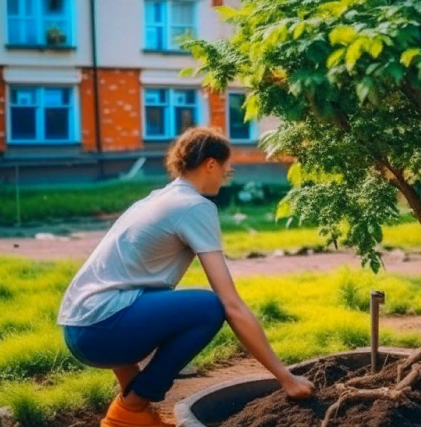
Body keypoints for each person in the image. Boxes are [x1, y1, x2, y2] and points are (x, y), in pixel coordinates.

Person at [57, 128, 313, 427]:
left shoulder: (158, 198)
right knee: (208, 307)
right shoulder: (194, 206)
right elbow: (230, 303)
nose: (229, 171)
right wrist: (286, 378)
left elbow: (121, 283)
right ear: (210, 164)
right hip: (100, 329)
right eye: (226, 165)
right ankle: (127, 413)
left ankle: (135, 411)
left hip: (79, 327)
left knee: (151, 299)